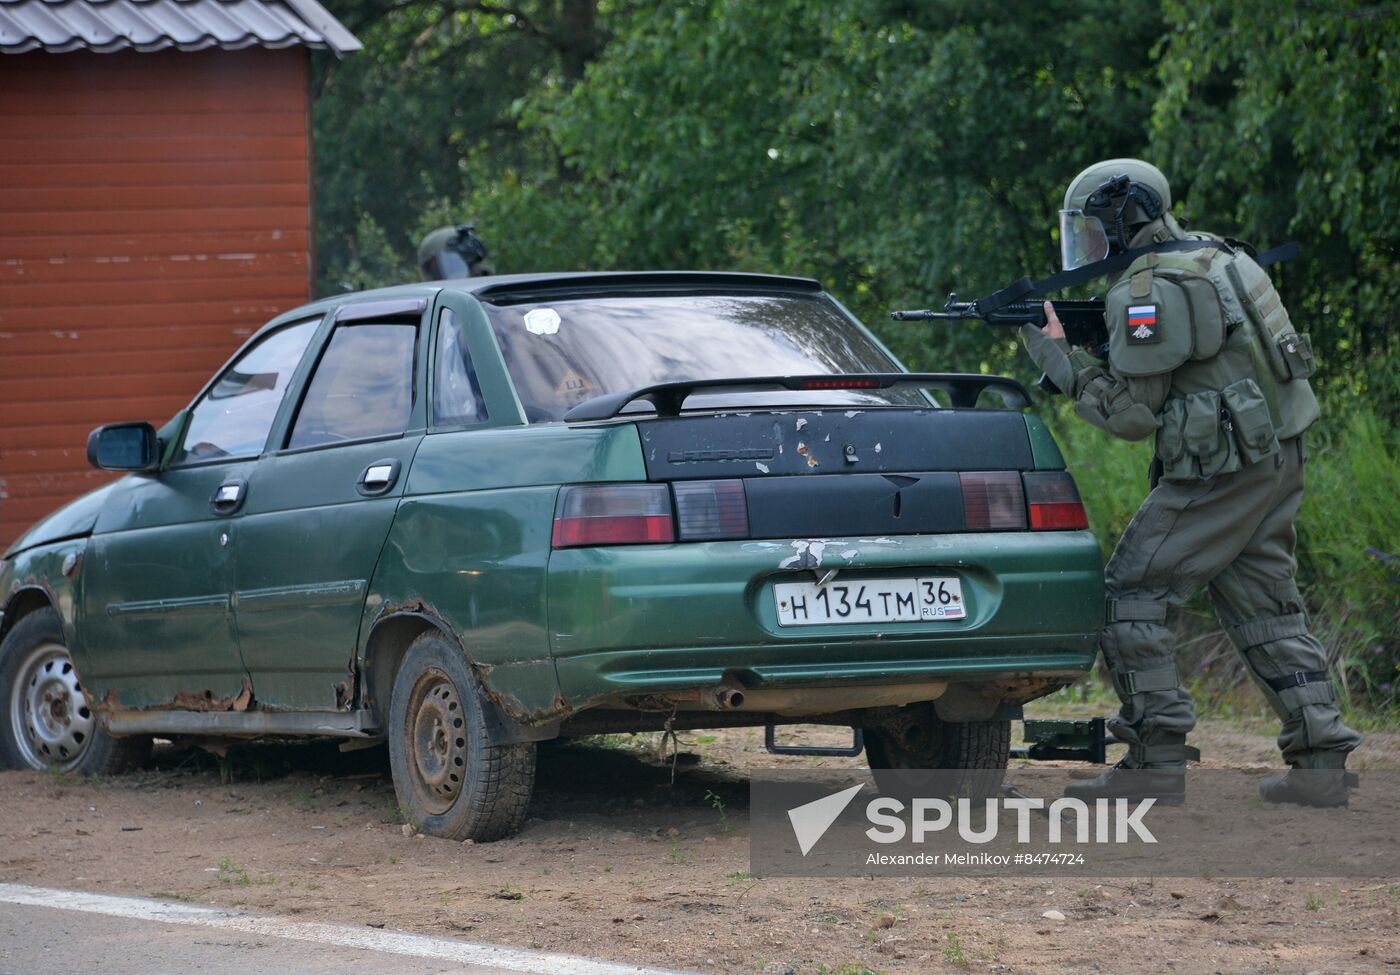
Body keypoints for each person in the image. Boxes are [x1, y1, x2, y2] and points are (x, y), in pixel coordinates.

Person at [1019, 158, 1361, 806]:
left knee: (1130, 593)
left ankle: (1154, 759)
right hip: (1277, 456)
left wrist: (1055, 358)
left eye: (1095, 229)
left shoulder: (1147, 286)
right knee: (1265, 603)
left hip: (1221, 470)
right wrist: (1105, 344)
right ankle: (1320, 760)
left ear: (1126, 216)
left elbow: (1131, 415)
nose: (1091, 245)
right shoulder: (1223, 256)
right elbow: (1205, 359)